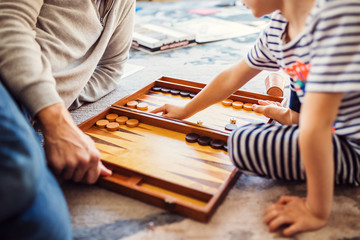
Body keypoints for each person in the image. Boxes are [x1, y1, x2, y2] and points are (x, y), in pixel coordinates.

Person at [151, 0, 360, 236]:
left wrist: (316, 209)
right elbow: (232, 76)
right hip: (331, 125)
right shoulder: (278, 28)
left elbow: (316, 126)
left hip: (353, 142)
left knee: (244, 143)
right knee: (246, 138)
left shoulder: (339, 15)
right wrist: (186, 110)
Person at [0, 0, 135, 239]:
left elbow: (111, 69)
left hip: (27, 113)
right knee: (18, 171)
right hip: (5, 83)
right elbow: (8, 24)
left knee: (47, 231)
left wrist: (44, 104)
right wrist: (56, 121)